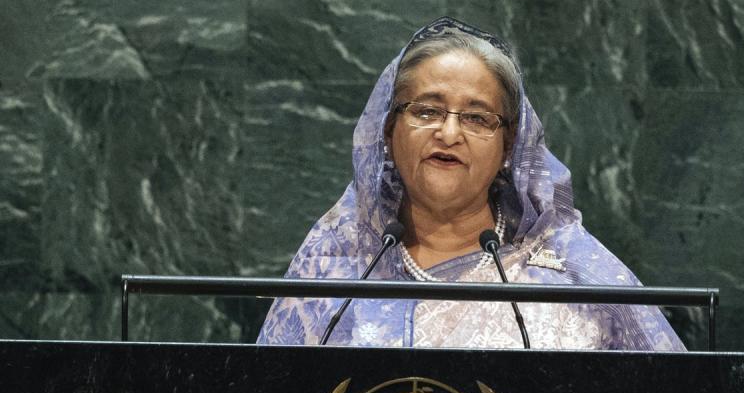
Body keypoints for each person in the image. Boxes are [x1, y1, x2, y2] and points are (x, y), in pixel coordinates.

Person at [257, 17, 685, 351]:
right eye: (426, 111)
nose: (448, 133)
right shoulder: (335, 259)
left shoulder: (573, 273)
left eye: (478, 118)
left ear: (508, 147)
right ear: (388, 130)